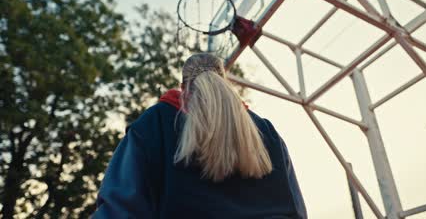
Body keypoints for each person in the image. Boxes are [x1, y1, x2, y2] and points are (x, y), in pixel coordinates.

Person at [93, 53, 307, 218]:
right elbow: (296, 211)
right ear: (224, 83)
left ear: (183, 89)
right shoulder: (267, 131)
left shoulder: (155, 123)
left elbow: (119, 209)